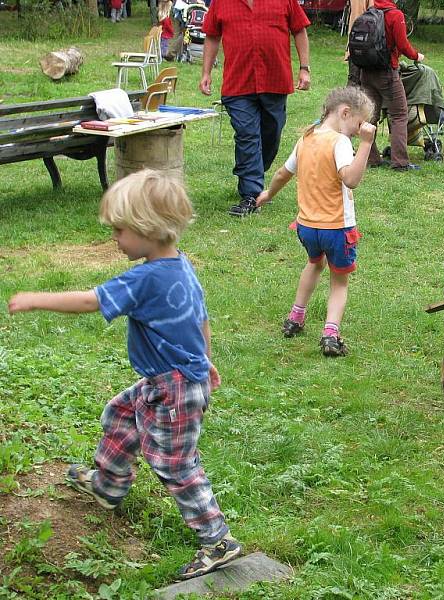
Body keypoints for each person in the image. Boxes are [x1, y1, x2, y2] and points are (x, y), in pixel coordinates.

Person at [7, 170, 241, 582]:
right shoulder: (180, 265)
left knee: (174, 462)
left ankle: (217, 539)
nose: (114, 238)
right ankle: (108, 484)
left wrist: (33, 298)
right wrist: (204, 359)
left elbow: (90, 300)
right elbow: (200, 317)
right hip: (174, 378)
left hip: (174, 387)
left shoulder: (146, 278)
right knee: (120, 414)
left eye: (119, 230)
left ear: (147, 229)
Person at [254, 87, 376, 357]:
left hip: (307, 227)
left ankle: (295, 317)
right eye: (358, 124)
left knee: (314, 263)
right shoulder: (340, 143)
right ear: (345, 112)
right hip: (336, 228)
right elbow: (351, 179)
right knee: (339, 281)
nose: (358, 131)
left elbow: (283, 174)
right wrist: (366, 145)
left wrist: (267, 194)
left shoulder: (306, 138)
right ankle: (331, 334)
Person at [199, 0, 311, 217]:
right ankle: (251, 194)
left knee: (271, 134)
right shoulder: (221, 3)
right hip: (238, 83)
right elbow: (212, 35)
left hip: (275, 79)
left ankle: (254, 171)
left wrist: (304, 68)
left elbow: (299, 29)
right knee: (247, 135)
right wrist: (206, 73)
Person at [358, 0, 425, 171]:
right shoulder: (395, 15)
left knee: (370, 115)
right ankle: (400, 162)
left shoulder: (369, 13)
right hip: (386, 72)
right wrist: (416, 56)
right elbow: (402, 44)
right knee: (399, 114)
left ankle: (371, 158)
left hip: (365, 71)